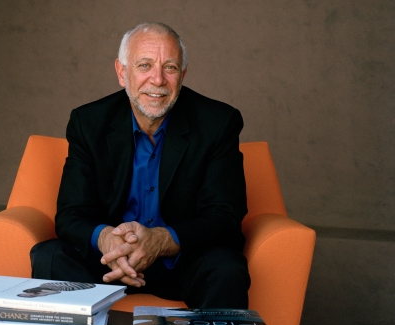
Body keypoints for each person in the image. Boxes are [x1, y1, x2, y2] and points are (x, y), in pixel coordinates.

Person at [30, 22, 250, 309]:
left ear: (182, 75)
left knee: (226, 267)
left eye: (169, 67)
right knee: (49, 255)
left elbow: (225, 215)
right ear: (122, 73)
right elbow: (71, 214)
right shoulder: (89, 122)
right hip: (108, 264)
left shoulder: (217, 123)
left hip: (181, 263)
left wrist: (161, 240)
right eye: (144, 65)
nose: (157, 79)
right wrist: (107, 239)